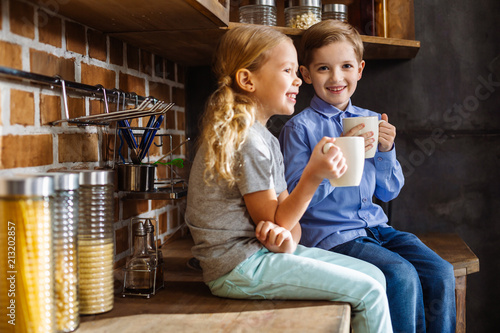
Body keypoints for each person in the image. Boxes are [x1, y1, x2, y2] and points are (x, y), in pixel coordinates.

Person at [185, 24, 393, 333]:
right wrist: (314, 172)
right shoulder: (247, 141)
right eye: (287, 70)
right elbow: (281, 217)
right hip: (237, 267)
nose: (298, 80)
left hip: (260, 255)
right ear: (247, 80)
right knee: (370, 291)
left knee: (376, 277)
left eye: (297, 71)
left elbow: (288, 225)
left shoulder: (264, 138)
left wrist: (285, 239)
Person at [278, 20, 456, 333]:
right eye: (323, 69)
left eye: (346, 66)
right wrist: (334, 168)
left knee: (441, 271)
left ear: (359, 69)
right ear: (306, 74)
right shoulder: (299, 128)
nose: (336, 78)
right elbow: (295, 198)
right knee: (401, 275)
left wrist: (387, 150)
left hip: (377, 227)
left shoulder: (371, 121)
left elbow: (389, 192)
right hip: (331, 237)